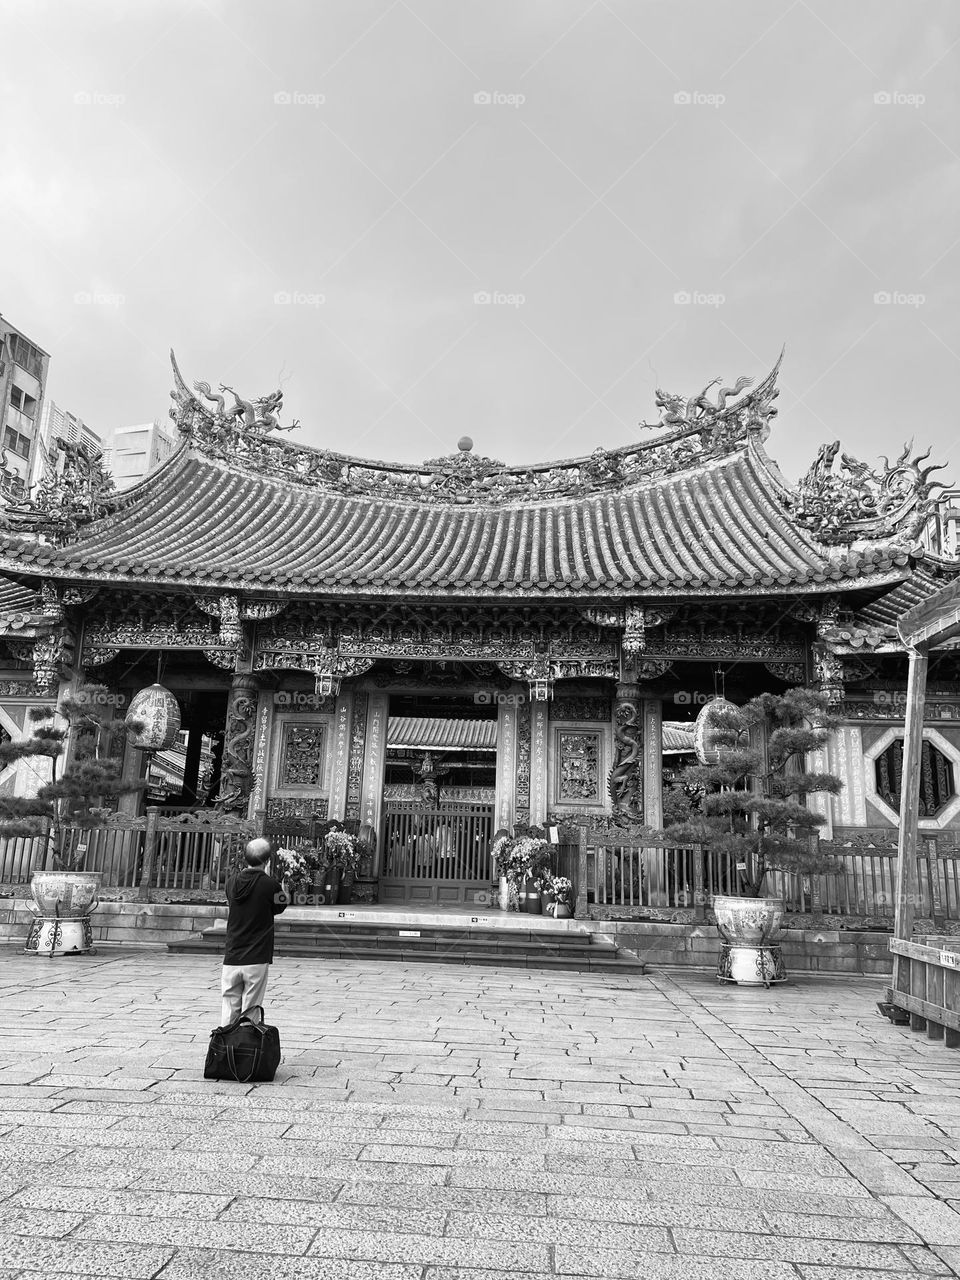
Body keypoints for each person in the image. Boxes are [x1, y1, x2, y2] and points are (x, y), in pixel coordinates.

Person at [220, 837, 288, 1027]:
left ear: (245, 858)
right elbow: (281, 905)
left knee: (228, 1008)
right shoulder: (270, 885)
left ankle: (225, 1049)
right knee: (251, 1010)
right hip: (256, 957)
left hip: (232, 955)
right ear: (267, 861)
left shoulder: (231, 882)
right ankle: (246, 1051)